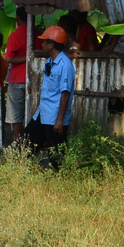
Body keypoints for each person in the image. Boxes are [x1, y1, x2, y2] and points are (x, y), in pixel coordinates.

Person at [27, 25, 75, 165]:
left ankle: (59, 179)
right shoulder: (49, 62)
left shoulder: (65, 65)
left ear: (51, 45)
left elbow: (65, 94)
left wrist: (59, 120)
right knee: (26, 141)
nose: (41, 44)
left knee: (56, 154)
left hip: (54, 117)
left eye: (44, 42)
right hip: (44, 113)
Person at [4, 6, 30, 143]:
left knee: (16, 116)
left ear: (18, 19)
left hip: (17, 79)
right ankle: (31, 143)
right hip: (33, 79)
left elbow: (8, 58)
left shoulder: (15, 35)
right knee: (31, 113)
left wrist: (25, 58)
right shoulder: (37, 34)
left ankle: (19, 144)